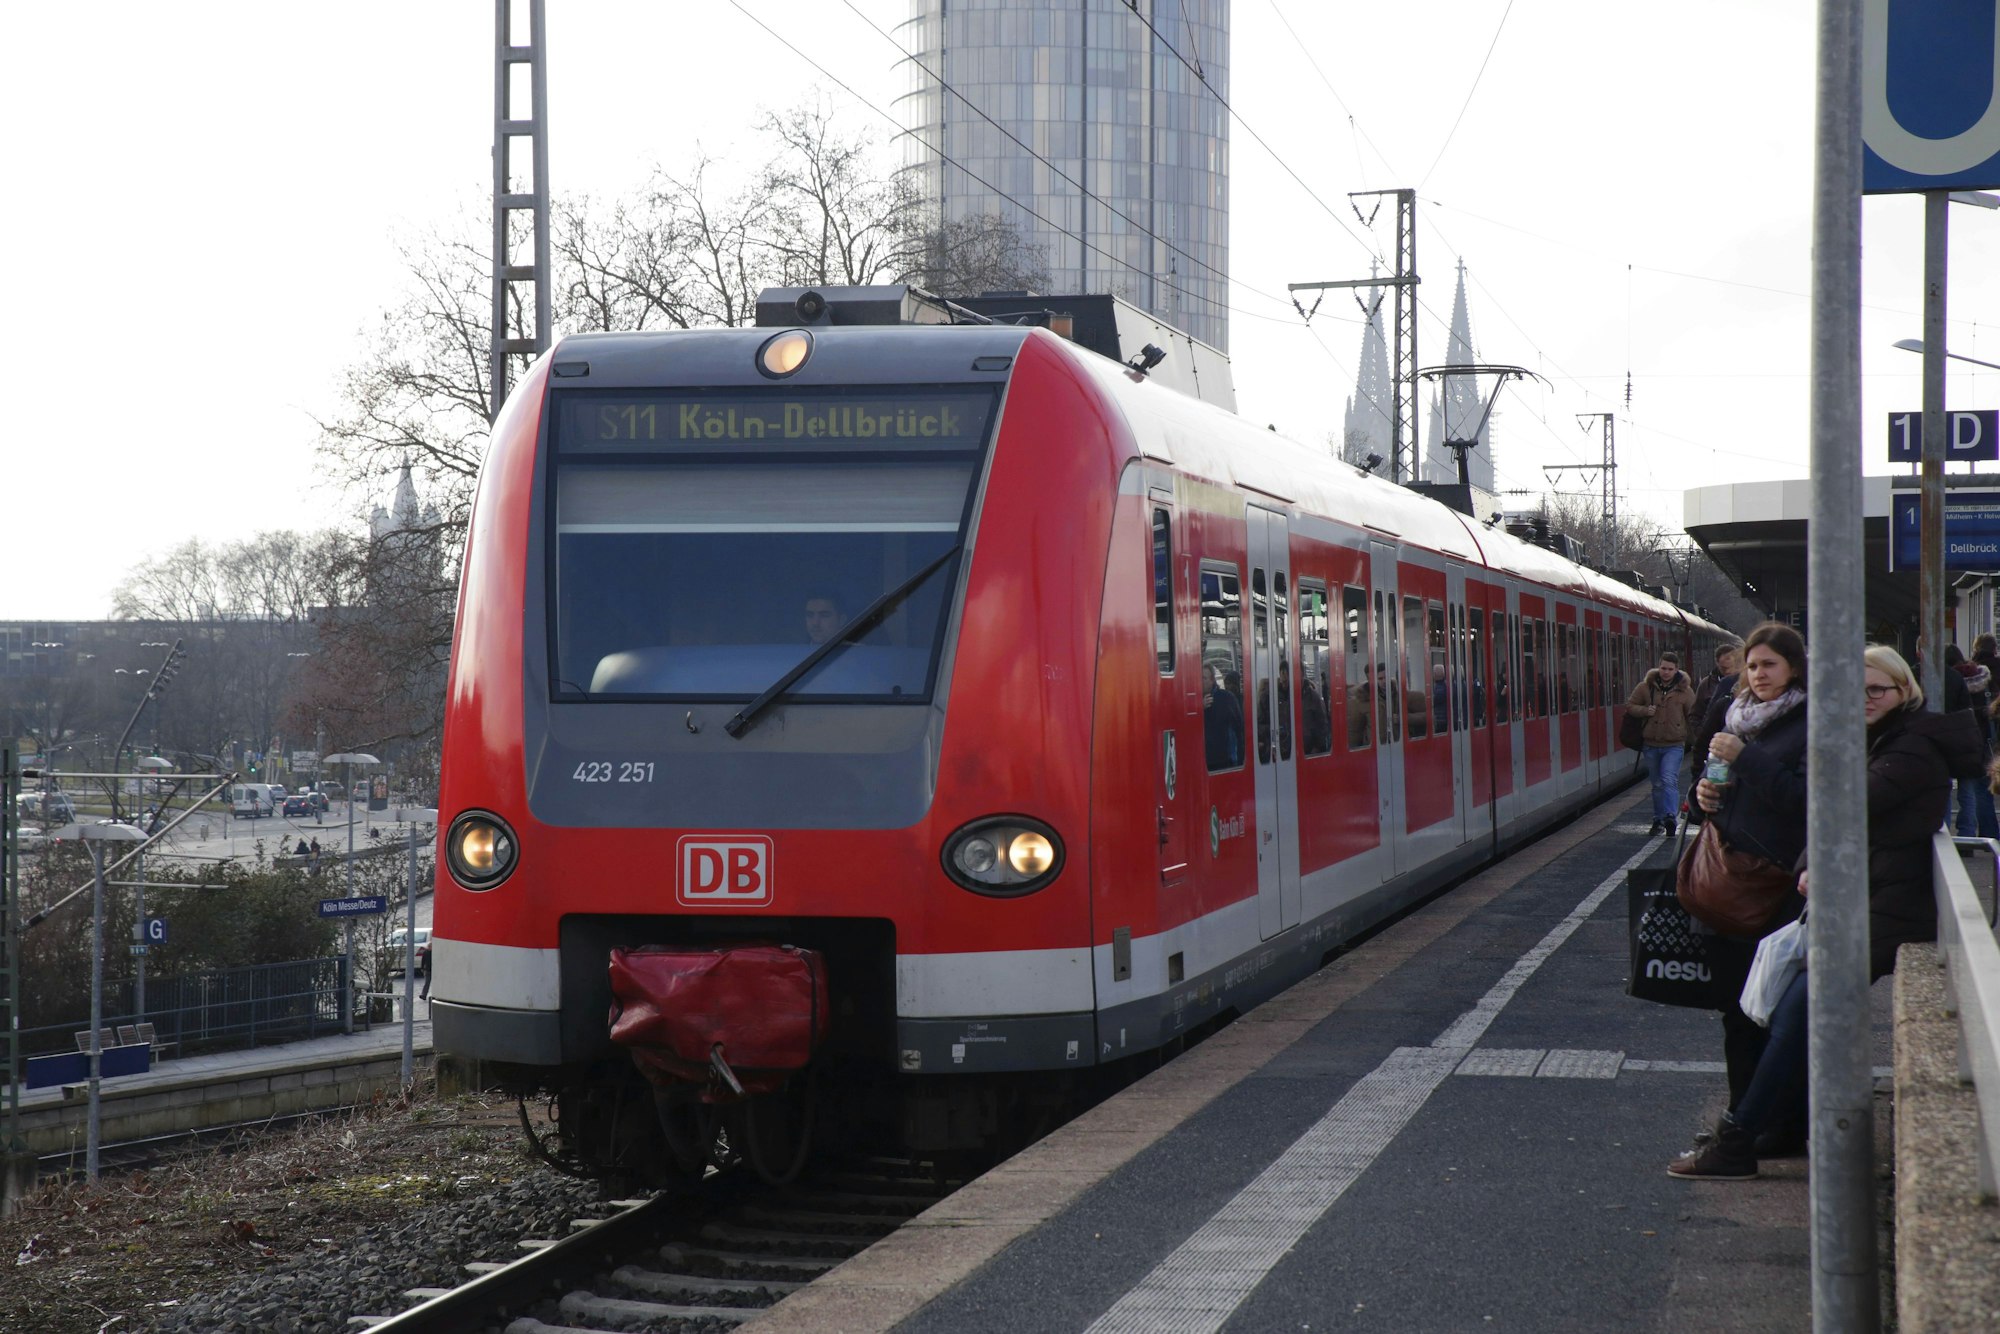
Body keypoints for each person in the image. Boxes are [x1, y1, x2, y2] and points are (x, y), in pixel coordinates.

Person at [1669, 645, 1982, 1178]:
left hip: (1889, 907)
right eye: (1854, 691)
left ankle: (1740, 1139)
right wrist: (1812, 860)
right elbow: (1830, 817)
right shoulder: (1882, 739)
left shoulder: (1909, 748)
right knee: (1790, 1009)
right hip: (1869, 900)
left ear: (1903, 690)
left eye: (1876, 689)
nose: (1865, 699)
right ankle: (1751, 1133)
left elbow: (1839, 806)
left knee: (1797, 1010)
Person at [1687, 622, 1811, 1130]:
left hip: (1778, 887)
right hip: (1727, 880)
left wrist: (1747, 758)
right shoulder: (1734, 717)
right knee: (1736, 1012)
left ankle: (1776, 1125)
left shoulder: (1810, 723)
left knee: (1774, 1012)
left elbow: (1803, 799)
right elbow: (1716, 782)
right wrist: (1703, 796)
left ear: (1793, 668)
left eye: (1769, 665)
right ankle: (1742, 1118)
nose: (1759, 674)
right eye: (1753, 665)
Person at [1626, 650, 1697, 836]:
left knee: (1668, 779)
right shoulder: (1645, 687)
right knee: (1657, 784)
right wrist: (1644, 711)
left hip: (1674, 744)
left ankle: (1670, 817)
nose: (1666, 672)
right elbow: (1630, 706)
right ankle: (1658, 819)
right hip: (1651, 744)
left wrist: (1696, 741)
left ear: (1676, 670)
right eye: (1663, 668)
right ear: (1659, 667)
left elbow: (1693, 715)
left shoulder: (1685, 690)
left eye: (1670, 669)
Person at [1946, 643, 1996, 836]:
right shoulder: (1984, 676)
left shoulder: (1949, 680)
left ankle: (1955, 836)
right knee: (1975, 791)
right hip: (1978, 741)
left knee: (1947, 788)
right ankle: (1976, 833)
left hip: (1953, 740)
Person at [1204, 665, 1245, 768]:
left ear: (1212, 680)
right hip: (1204, 759)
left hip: (1224, 759)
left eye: (1204, 678)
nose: (1200, 681)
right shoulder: (1193, 701)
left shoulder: (1227, 698)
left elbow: (1239, 727)